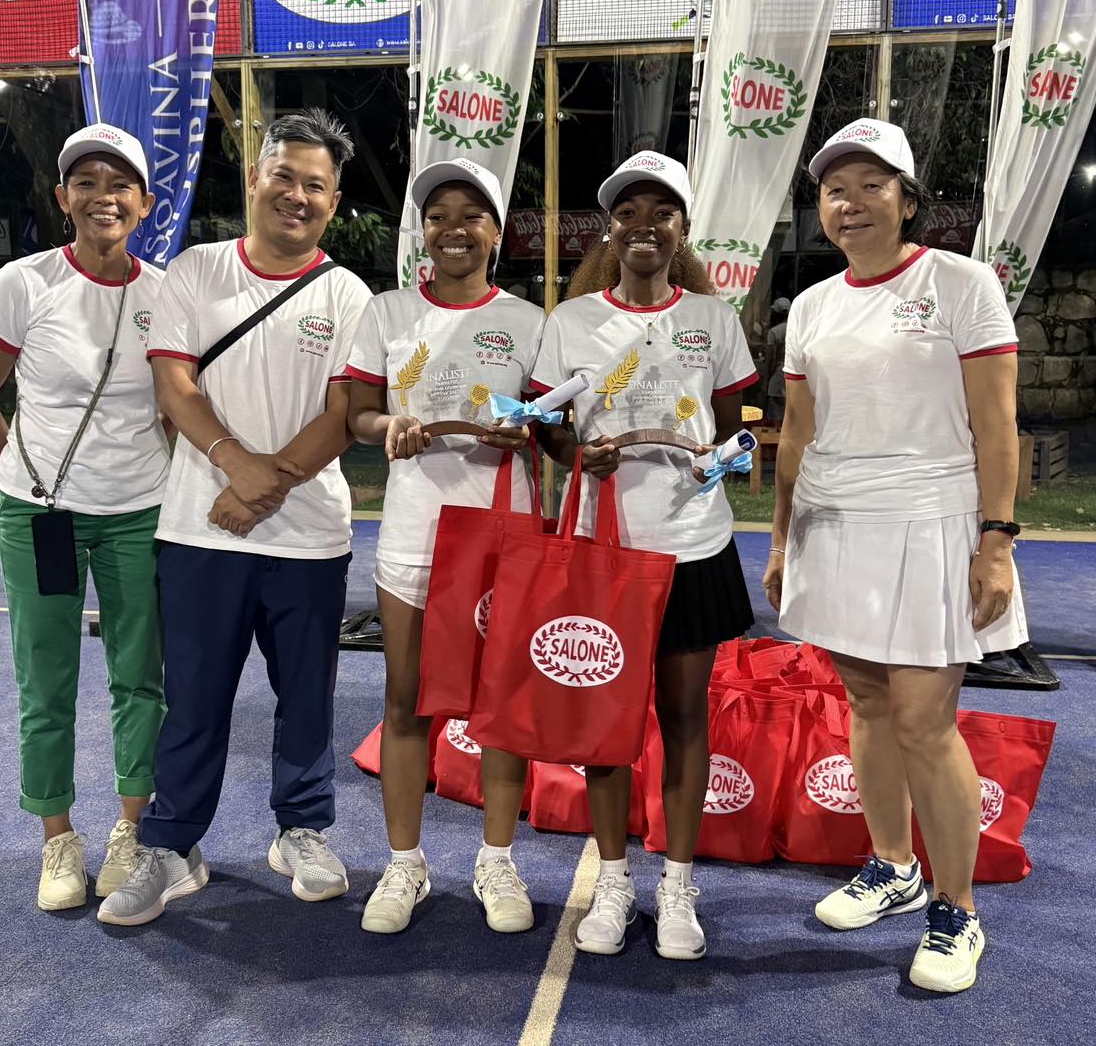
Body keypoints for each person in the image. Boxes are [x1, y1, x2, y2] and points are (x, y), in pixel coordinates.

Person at [763, 117, 1028, 995]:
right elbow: (799, 433)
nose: (852, 203)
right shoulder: (812, 305)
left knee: (923, 721)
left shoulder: (961, 282)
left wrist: (996, 541)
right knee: (868, 704)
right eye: (835, 190)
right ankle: (893, 866)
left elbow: (997, 425)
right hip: (835, 524)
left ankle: (958, 909)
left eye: (872, 185)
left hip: (934, 521)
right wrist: (780, 537)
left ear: (907, 200)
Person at [97, 108, 372, 927]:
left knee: (307, 699)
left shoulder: (349, 294)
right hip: (199, 529)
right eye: (283, 176)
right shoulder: (194, 271)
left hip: (309, 537)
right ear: (255, 178)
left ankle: (302, 830)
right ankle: (172, 846)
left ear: (333, 200)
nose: (297, 195)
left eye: (315, 185)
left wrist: (263, 484)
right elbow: (174, 384)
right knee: (194, 699)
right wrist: (237, 463)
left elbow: (345, 412)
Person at [533, 150, 758, 961]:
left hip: (693, 545)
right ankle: (614, 880)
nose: (644, 225)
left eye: (662, 212)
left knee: (687, 718)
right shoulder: (571, 321)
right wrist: (576, 455)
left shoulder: (714, 320)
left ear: (682, 229)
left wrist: (722, 458)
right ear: (610, 227)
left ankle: (677, 885)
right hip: (606, 549)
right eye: (628, 211)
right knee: (606, 725)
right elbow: (547, 423)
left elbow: (733, 426)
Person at [0, 124, 168, 911]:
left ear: (145, 203)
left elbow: (176, 407)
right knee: (46, 680)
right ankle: (57, 840)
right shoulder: (24, 282)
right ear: (62, 198)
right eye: (86, 182)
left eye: (119, 184)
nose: (102, 196)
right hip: (42, 517)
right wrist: (26, 479)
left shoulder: (165, 293)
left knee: (141, 678)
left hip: (139, 513)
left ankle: (131, 833)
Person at [346, 158, 545, 936]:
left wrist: (531, 430)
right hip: (412, 536)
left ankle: (496, 860)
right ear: (422, 232)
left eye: (471, 216)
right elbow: (359, 412)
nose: (453, 229)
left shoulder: (531, 322)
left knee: (501, 707)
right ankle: (405, 864)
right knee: (405, 702)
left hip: (502, 538)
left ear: (497, 232)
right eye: (438, 216)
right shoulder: (388, 311)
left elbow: (555, 426)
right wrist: (386, 426)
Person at [764, 296, 790, 424]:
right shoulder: (796, 329)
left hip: (777, 376)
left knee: (776, 417)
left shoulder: (773, 332)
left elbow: (771, 358)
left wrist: (767, 377)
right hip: (793, 376)